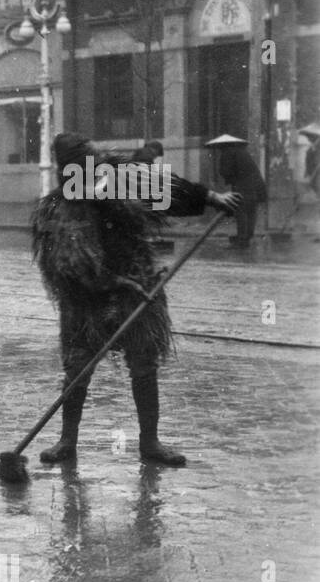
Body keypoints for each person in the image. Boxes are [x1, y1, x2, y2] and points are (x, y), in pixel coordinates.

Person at [33, 133, 240, 467]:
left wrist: (212, 197)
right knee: (77, 369)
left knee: (144, 364)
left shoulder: (119, 182)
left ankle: (150, 442)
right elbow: (70, 266)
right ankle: (67, 441)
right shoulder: (60, 208)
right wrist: (115, 283)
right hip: (87, 300)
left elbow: (164, 189)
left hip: (137, 287)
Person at [206, 134, 265, 246]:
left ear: (222, 146)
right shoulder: (242, 151)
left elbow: (225, 171)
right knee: (250, 210)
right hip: (255, 185)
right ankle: (247, 236)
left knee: (240, 211)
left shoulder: (227, 153)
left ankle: (242, 239)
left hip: (242, 185)